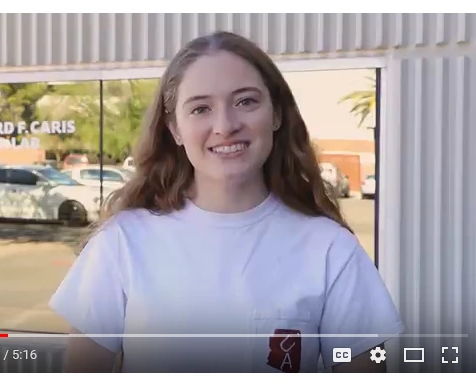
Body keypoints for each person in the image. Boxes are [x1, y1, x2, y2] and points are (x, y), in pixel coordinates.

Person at [49, 31, 404, 373]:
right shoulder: (122, 242)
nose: (225, 125)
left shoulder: (330, 248)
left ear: (276, 114)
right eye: (200, 109)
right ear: (174, 129)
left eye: (245, 101)